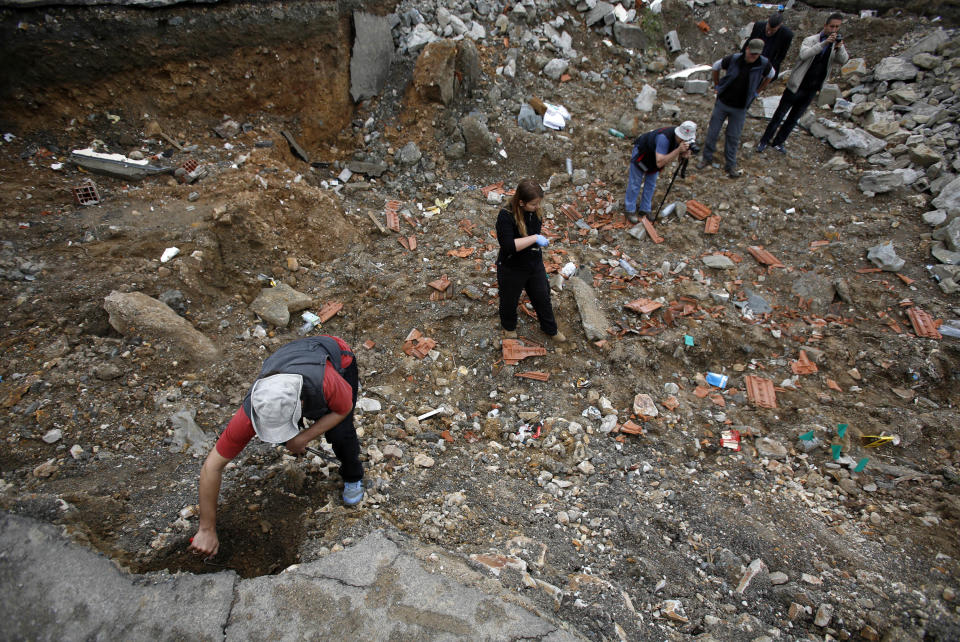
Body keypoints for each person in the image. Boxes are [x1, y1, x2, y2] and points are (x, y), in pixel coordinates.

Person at [188, 335, 362, 557]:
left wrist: (303, 438)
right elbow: (211, 467)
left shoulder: (327, 381)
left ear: (300, 403)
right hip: (292, 360)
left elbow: (343, 409)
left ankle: (353, 476)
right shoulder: (254, 408)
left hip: (336, 356)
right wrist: (206, 529)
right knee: (301, 431)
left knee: (340, 432)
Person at [756, 13, 849, 154]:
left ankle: (778, 142)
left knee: (794, 118)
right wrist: (824, 43)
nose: (834, 30)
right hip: (797, 84)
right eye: (832, 26)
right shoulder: (811, 40)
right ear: (825, 26)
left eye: (837, 27)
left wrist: (839, 47)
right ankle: (764, 140)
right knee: (779, 115)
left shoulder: (835, 46)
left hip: (812, 88)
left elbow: (843, 60)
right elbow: (804, 54)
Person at [496, 179, 566, 343]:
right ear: (521, 202)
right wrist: (535, 238)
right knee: (509, 300)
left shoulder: (535, 212)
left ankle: (550, 328)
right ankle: (509, 328)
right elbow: (508, 246)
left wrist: (536, 241)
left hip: (533, 262)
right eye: (534, 204)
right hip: (511, 265)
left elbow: (533, 232)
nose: (537, 207)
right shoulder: (505, 216)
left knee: (542, 296)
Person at [697, 39, 775, 178]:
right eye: (751, 53)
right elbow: (716, 66)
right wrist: (717, 86)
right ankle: (706, 158)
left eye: (756, 55)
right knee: (713, 132)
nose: (753, 57)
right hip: (723, 102)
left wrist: (757, 91)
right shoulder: (733, 59)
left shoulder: (763, 64)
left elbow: (771, 75)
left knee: (733, 137)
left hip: (740, 108)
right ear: (746, 49)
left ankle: (730, 165)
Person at [623, 121, 697, 223]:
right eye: (683, 138)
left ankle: (645, 209)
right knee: (635, 183)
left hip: (656, 157)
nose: (684, 141)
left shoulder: (687, 140)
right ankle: (629, 209)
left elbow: (677, 159)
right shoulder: (664, 138)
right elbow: (660, 162)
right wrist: (678, 150)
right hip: (643, 153)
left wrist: (684, 154)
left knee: (651, 184)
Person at [741, 12, 794, 77]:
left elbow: (781, 55)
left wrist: (769, 69)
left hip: (767, 63)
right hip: (752, 59)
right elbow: (749, 42)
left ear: (779, 26)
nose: (769, 32)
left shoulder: (786, 35)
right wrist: (742, 56)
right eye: (768, 29)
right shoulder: (758, 25)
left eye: (773, 31)